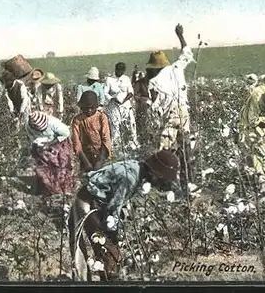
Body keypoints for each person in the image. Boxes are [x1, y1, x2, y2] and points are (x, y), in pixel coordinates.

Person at [68, 149, 180, 281]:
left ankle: (101, 278)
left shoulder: (135, 168)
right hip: (87, 200)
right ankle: (83, 283)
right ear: (155, 173)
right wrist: (113, 232)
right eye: (161, 179)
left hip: (98, 202)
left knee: (107, 249)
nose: (159, 183)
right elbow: (114, 207)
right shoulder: (130, 177)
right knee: (102, 248)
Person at [146, 24, 196, 150]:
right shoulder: (176, 68)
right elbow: (187, 53)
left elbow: (155, 106)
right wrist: (180, 35)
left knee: (165, 149)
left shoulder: (154, 82)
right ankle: (187, 167)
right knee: (185, 143)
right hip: (183, 110)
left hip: (170, 115)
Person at [25, 111, 74, 195]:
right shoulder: (28, 126)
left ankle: (65, 188)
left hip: (59, 141)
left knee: (62, 165)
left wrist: (49, 144)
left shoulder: (54, 124)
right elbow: (32, 138)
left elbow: (66, 133)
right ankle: (48, 187)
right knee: (44, 166)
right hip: (42, 145)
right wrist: (39, 146)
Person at [71, 91, 112, 172]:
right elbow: (76, 142)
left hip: (101, 153)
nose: (89, 110)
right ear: (81, 107)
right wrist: (86, 162)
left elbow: (106, 138)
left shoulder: (101, 117)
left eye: (91, 108)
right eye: (86, 108)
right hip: (85, 155)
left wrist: (100, 161)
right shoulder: (77, 120)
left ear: (96, 107)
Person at [104, 62, 139, 151]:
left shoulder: (126, 79)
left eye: (122, 71)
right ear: (116, 69)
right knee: (115, 126)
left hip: (126, 106)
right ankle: (116, 147)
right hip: (114, 106)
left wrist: (124, 100)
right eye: (118, 70)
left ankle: (133, 144)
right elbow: (105, 92)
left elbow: (131, 92)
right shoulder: (109, 79)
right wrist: (112, 99)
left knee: (131, 124)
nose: (120, 72)